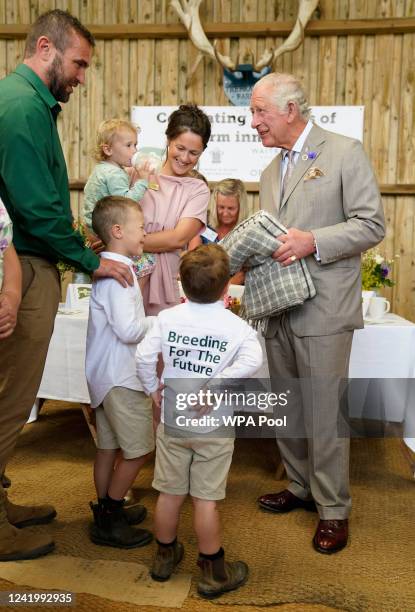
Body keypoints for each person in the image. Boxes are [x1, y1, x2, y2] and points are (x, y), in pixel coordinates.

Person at [0, 9, 132, 562]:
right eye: (79, 63)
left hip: (30, 258)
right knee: (10, 397)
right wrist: (86, 257)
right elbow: (32, 206)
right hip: (22, 266)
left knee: (13, 392)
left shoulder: (27, 103)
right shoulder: (22, 106)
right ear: (47, 48)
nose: (82, 76)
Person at [250, 72, 385, 554]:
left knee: (325, 413)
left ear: (290, 109)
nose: (254, 122)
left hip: (324, 308)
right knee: (286, 406)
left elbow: (371, 224)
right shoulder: (268, 172)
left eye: (260, 112)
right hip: (278, 308)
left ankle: (333, 509)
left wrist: (315, 241)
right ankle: (301, 486)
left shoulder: (344, 151)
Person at [135, 244, 263, 598]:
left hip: (173, 419)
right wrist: (216, 386)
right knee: (205, 500)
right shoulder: (236, 327)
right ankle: (214, 570)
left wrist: (153, 391)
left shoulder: (167, 318)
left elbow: (144, 357)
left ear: (180, 284)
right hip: (215, 427)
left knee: (169, 492)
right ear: (226, 290)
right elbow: (253, 360)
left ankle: (164, 556)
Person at [86, 196, 154, 549]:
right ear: (117, 231)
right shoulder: (118, 273)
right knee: (139, 449)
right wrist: (157, 322)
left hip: (104, 375)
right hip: (121, 378)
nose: (145, 233)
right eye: (140, 227)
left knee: (108, 448)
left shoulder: (111, 266)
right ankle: (111, 514)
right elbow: (128, 330)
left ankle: (104, 509)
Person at [137, 104, 211, 315]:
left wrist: (123, 242)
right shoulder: (139, 173)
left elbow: (177, 239)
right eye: (180, 148)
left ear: (203, 151)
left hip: (164, 293)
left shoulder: (198, 190)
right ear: (169, 139)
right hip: (125, 280)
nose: (185, 158)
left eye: (194, 152)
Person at [83, 118, 156, 290]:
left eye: (136, 145)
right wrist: (143, 181)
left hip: (94, 228)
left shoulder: (101, 169)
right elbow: (126, 202)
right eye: (129, 145)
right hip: (106, 232)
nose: (135, 151)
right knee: (147, 262)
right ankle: (130, 293)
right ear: (108, 149)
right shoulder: (115, 174)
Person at [188, 178, 247, 284]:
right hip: (203, 287)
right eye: (221, 207)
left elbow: (243, 274)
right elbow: (192, 267)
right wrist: (229, 284)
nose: (225, 213)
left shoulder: (247, 231)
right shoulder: (202, 225)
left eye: (231, 208)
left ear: (240, 207)